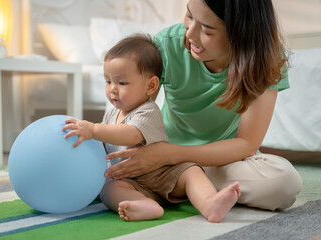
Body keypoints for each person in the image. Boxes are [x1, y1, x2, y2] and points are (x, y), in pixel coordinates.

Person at [103, 0, 303, 211]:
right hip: (162, 161)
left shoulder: (266, 58)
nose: (190, 34)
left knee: (284, 182)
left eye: (207, 30)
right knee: (111, 177)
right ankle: (189, 187)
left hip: (219, 161)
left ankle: (185, 186)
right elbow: (131, 115)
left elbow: (246, 143)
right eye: (189, 16)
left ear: (241, 35)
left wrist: (169, 155)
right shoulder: (167, 44)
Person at [62, 34, 241, 222]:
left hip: (162, 173)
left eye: (121, 83)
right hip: (130, 180)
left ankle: (209, 203)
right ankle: (143, 204)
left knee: (191, 171)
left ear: (151, 86)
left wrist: (94, 130)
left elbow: (131, 134)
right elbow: (104, 148)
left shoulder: (147, 110)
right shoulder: (111, 114)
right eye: (108, 81)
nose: (112, 89)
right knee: (109, 189)